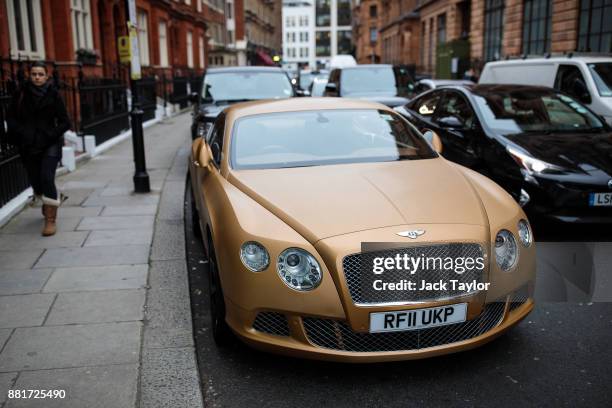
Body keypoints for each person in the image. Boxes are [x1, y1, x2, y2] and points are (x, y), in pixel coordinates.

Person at [6, 61, 71, 236]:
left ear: (46, 76)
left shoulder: (54, 94)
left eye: (40, 74)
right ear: (30, 75)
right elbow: (10, 118)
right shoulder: (20, 93)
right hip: (28, 144)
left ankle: (50, 220)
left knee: (47, 177)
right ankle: (49, 199)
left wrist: (50, 135)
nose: (37, 77)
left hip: (50, 143)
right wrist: (22, 132)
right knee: (36, 182)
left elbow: (66, 122)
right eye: (34, 74)